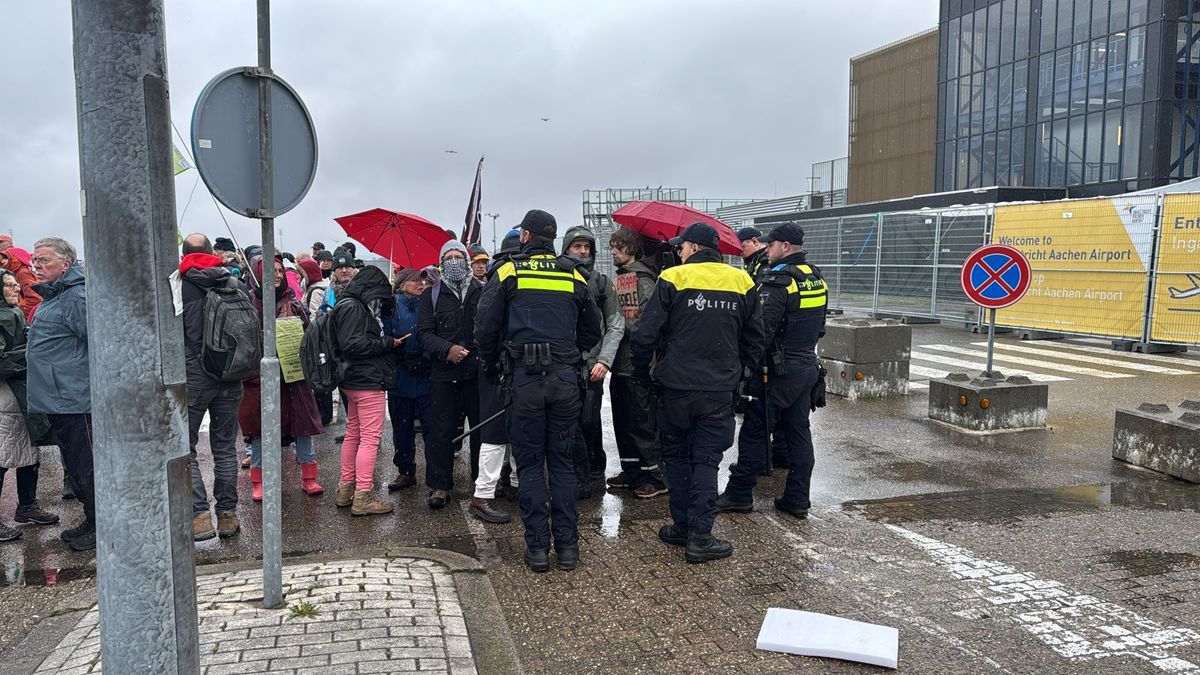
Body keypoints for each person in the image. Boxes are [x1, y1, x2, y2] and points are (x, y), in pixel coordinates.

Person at [475, 209, 601, 573]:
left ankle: (537, 551)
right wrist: (566, 351)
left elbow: (485, 328)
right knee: (562, 465)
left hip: (524, 381)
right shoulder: (574, 272)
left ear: (526, 237)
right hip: (565, 382)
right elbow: (592, 331)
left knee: (530, 468)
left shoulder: (509, 271)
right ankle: (568, 549)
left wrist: (494, 362)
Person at [630, 222, 764, 564]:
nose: (678, 251)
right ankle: (700, 536)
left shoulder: (673, 278)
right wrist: (740, 374)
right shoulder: (742, 280)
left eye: (682, 246)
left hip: (674, 387)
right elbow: (755, 338)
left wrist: (644, 374)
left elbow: (645, 335)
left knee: (675, 456)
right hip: (718, 389)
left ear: (693, 248)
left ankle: (683, 527)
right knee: (706, 460)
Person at [719, 224, 826, 519]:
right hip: (806, 366)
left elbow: (760, 333)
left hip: (778, 371)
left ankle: (739, 493)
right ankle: (797, 498)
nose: (768, 249)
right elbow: (820, 328)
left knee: (755, 430)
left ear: (786, 247)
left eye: (773, 244)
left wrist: (744, 371)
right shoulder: (815, 277)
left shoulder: (779, 281)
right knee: (798, 432)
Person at [26, 237, 95, 551]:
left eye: (44, 260)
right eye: (35, 260)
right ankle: (91, 518)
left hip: (75, 398)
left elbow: (96, 345)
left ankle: (100, 523)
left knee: (86, 466)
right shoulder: (55, 297)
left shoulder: (76, 297)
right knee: (76, 465)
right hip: (60, 398)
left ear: (66, 264)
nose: (37, 266)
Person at [238, 255, 325, 502]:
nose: (276, 275)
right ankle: (260, 480)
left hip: (293, 376)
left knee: (303, 426)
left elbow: (308, 333)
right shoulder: (248, 304)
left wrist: (298, 325)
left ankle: (309, 477)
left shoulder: (294, 303)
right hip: (259, 378)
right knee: (259, 430)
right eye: (270, 270)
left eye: (278, 270)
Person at [180, 234, 247, 541]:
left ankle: (199, 516)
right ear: (211, 252)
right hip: (231, 376)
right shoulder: (232, 281)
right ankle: (228, 515)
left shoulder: (180, 286)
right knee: (224, 447)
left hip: (195, 377)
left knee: (186, 447)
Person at [560, 226, 627, 499]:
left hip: (592, 368)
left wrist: (604, 361)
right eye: (577, 247)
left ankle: (593, 468)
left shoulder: (601, 282)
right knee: (565, 422)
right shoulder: (554, 277)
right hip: (562, 365)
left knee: (589, 421)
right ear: (566, 249)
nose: (583, 251)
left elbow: (615, 324)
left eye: (587, 247)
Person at [416, 241, 483, 509]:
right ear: (441, 262)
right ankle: (440, 485)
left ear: (467, 260)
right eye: (449, 257)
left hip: (477, 374)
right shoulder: (430, 295)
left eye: (459, 256)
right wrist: (448, 350)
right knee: (440, 432)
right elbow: (423, 334)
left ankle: (482, 483)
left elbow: (491, 327)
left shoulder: (482, 290)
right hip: (444, 374)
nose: (454, 261)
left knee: (481, 430)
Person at [329, 265, 399, 515]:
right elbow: (354, 344)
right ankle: (363, 496)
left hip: (351, 381)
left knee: (353, 434)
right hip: (367, 380)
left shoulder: (344, 303)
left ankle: (345, 490)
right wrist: (386, 342)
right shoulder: (355, 308)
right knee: (369, 439)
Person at [606, 227, 669, 498]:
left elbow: (645, 323)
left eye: (617, 247)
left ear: (631, 249)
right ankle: (631, 470)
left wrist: (615, 325)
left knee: (642, 423)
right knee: (623, 421)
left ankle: (654, 477)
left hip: (636, 365)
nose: (612, 251)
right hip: (620, 363)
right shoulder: (622, 278)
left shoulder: (642, 279)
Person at [0, 269, 58, 541]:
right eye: (9, 285)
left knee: (28, 451)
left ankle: (27, 505)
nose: (16, 289)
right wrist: (32, 350)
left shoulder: (14, 313)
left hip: (22, 392)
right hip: (6, 395)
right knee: (3, 455)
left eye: (15, 285)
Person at [385, 268, 431, 493]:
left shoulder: (429, 303)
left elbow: (437, 332)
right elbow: (383, 333)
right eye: (414, 280)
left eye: (422, 279)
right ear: (402, 284)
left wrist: (427, 356)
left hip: (426, 375)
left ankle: (436, 473)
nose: (420, 283)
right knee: (401, 428)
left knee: (432, 428)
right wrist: (398, 352)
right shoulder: (391, 305)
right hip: (400, 377)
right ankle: (405, 471)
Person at [0, 247, 42, 323]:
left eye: (6, 258)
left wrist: (21, 316)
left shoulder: (22, 273)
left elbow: (35, 299)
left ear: (15, 259)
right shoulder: (16, 272)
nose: (2, 261)